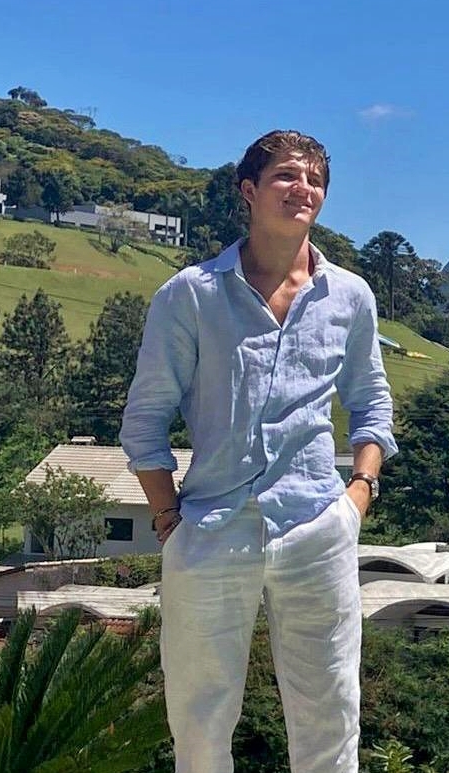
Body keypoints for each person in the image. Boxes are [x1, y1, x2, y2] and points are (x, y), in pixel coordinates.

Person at [121, 129, 397, 773]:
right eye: (286, 176)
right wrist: (167, 519)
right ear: (248, 190)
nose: (304, 189)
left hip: (318, 526)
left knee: (331, 715)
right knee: (199, 721)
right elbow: (146, 418)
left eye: (315, 180)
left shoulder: (350, 296)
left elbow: (372, 401)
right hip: (211, 528)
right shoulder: (191, 294)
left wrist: (358, 494)